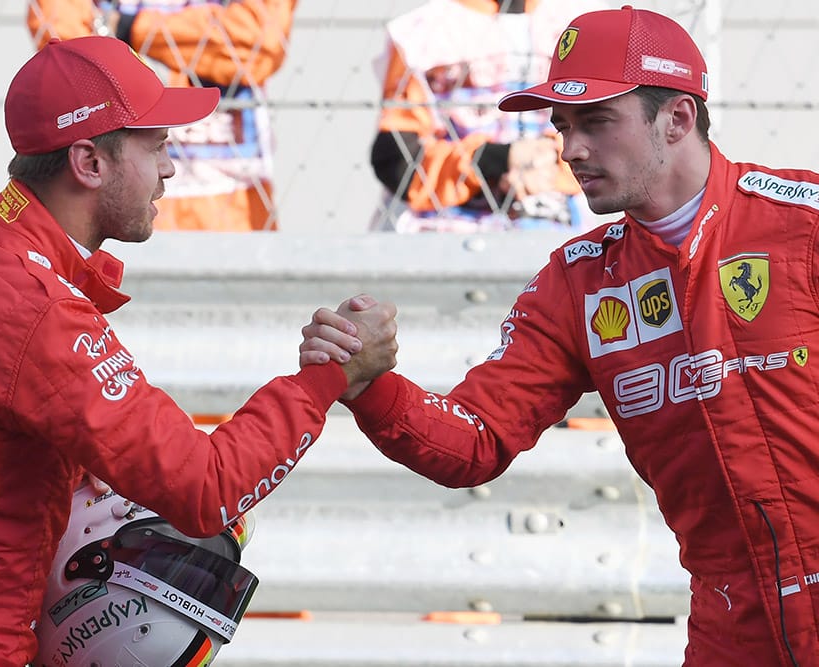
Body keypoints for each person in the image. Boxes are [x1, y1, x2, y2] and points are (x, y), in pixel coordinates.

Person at [0, 36, 396, 665]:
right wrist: (327, 378)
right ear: (89, 163)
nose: (171, 169)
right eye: (156, 147)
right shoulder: (41, 313)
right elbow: (206, 490)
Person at [305, 6, 819, 665]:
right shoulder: (577, 282)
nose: (569, 150)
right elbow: (475, 438)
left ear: (679, 118)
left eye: (597, 122)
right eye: (563, 126)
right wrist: (370, 383)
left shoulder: (799, 224)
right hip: (733, 628)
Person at [27, 0, 296, 231]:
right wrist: (197, 31)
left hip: (230, 190)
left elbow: (258, 43)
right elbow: (68, 50)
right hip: (113, 190)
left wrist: (124, 27)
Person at [369, 0, 609, 233]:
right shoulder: (421, 34)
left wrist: (547, 157)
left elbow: (612, 131)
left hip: (566, 233)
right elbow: (397, 160)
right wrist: (497, 159)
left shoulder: (589, 22)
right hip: (447, 234)